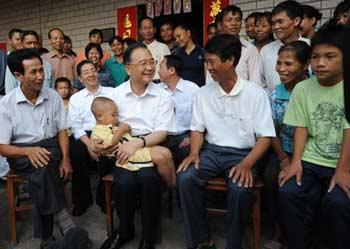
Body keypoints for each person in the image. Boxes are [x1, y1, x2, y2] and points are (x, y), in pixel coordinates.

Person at [177, 34, 275, 249]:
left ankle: (235, 243)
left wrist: (248, 163)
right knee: (186, 178)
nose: (208, 67)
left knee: (240, 191)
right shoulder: (203, 94)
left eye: (212, 62)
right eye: (206, 62)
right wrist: (194, 153)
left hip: (243, 155)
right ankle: (202, 240)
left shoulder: (255, 94)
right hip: (211, 152)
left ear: (230, 60)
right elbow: (197, 129)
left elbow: (266, 136)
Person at [0, 48, 90, 249]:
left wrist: (66, 159)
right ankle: (65, 223)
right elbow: (2, 147)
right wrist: (27, 151)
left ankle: (48, 241)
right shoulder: (5, 105)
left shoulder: (52, 96)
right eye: (33, 72)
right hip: (20, 152)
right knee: (44, 168)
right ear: (18, 75)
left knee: (43, 168)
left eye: (41, 70)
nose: (40, 76)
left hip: (51, 147)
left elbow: (61, 131)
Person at [95, 43, 176, 249]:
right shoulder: (116, 94)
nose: (150, 67)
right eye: (143, 63)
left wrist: (138, 142)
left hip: (150, 144)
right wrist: (99, 142)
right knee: (124, 184)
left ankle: (148, 238)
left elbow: (162, 131)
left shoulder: (162, 95)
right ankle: (124, 231)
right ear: (128, 69)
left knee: (148, 180)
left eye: (152, 62)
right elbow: (103, 123)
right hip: (122, 148)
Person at [278, 24, 350, 249]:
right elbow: (301, 127)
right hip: (311, 159)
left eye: (330, 57)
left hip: (343, 161)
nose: (320, 63)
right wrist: (296, 162)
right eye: (315, 57)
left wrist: (342, 170)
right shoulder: (303, 89)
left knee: (338, 202)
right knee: (288, 192)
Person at [263, 41, 311, 249]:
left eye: (288, 64)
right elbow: (271, 130)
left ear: (304, 65)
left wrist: (297, 160)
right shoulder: (274, 95)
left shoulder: (315, 89)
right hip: (283, 149)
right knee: (270, 177)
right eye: (279, 63)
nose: (281, 69)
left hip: (311, 152)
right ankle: (278, 227)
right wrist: (283, 157)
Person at [90, 97, 176, 186]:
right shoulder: (98, 130)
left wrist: (122, 129)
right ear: (99, 116)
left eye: (117, 115)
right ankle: (170, 186)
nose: (116, 118)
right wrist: (122, 129)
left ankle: (174, 187)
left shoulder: (113, 125)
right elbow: (109, 144)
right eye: (113, 115)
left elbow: (127, 133)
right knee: (160, 157)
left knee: (166, 152)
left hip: (135, 148)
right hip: (127, 156)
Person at [68, 60, 114, 216]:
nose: (91, 74)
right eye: (86, 72)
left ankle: (104, 199)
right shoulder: (76, 98)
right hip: (85, 135)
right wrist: (89, 144)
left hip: (107, 130)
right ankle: (82, 200)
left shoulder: (112, 92)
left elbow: (118, 117)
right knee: (76, 153)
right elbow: (75, 126)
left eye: (93, 70)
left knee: (108, 154)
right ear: (80, 79)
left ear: (98, 72)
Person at [158, 54, 199, 166]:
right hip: (161, 136)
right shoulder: (157, 90)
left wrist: (191, 138)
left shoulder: (192, 89)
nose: (158, 71)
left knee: (190, 151)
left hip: (184, 136)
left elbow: (201, 118)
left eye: (161, 67)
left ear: (171, 70)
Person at [261, 0, 310, 91]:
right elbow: (262, 83)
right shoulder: (266, 50)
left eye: (280, 22)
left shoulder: (311, 46)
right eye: (273, 23)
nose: (276, 27)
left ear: (296, 21)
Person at [215, 5, 262, 86]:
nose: (234, 23)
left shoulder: (250, 49)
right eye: (229, 20)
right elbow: (210, 81)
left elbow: (255, 82)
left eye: (238, 20)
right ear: (220, 25)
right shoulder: (214, 49)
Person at [139, 17, 170, 82]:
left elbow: (168, 68)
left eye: (150, 28)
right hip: (143, 84)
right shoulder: (137, 49)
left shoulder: (163, 47)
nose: (148, 31)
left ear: (155, 30)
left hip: (160, 84)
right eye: (145, 28)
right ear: (140, 31)